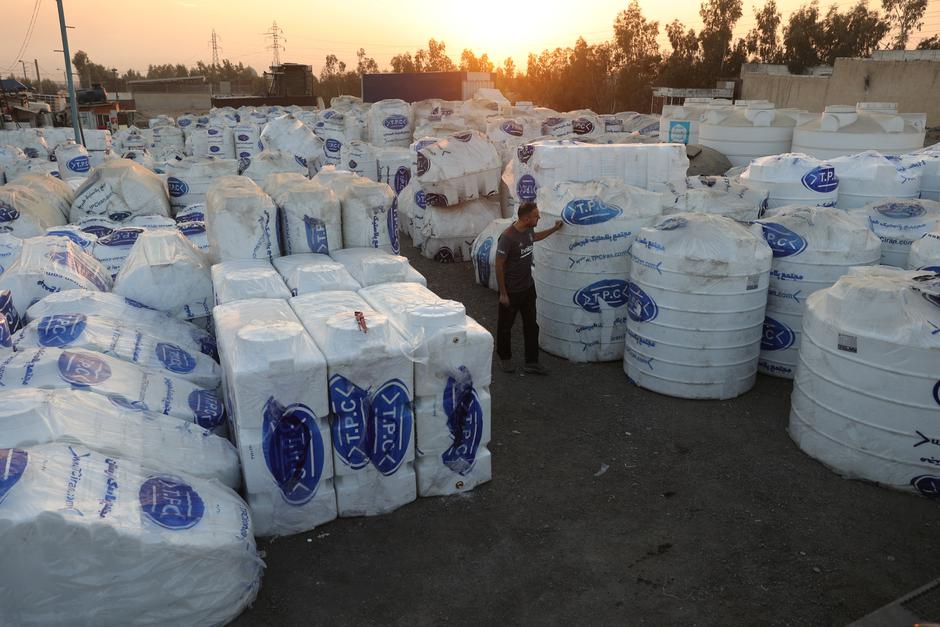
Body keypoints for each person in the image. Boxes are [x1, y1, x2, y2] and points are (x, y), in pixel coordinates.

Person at [494, 201, 563, 374]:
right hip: (511, 291)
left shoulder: (528, 230)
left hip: (527, 288)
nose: (539, 217)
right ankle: (505, 359)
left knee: (531, 325)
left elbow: (535, 237)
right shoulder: (508, 237)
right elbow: (498, 265)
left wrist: (554, 229)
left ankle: (532, 362)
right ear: (526, 218)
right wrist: (503, 293)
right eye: (536, 216)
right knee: (505, 327)